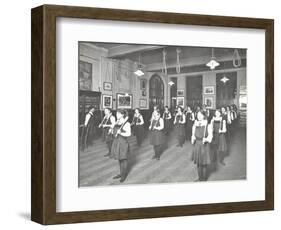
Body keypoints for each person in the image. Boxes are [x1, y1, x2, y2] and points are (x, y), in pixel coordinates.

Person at [191, 110, 213, 181]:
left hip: (204, 145)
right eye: (198, 115)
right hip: (197, 144)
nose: (199, 116)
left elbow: (210, 136)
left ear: (204, 116)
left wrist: (206, 139)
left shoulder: (208, 124)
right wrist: (193, 138)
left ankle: (204, 179)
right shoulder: (195, 124)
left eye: (200, 115)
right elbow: (193, 134)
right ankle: (200, 178)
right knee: (198, 163)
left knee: (204, 163)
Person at [111, 110, 131, 183]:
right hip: (116, 142)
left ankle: (124, 175)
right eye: (116, 113)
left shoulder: (127, 123)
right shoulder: (117, 122)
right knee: (119, 158)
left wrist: (121, 132)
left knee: (123, 159)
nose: (116, 115)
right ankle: (121, 173)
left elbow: (129, 134)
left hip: (123, 143)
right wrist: (112, 130)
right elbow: (115, 130)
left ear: (122, 115)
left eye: (118, 114)